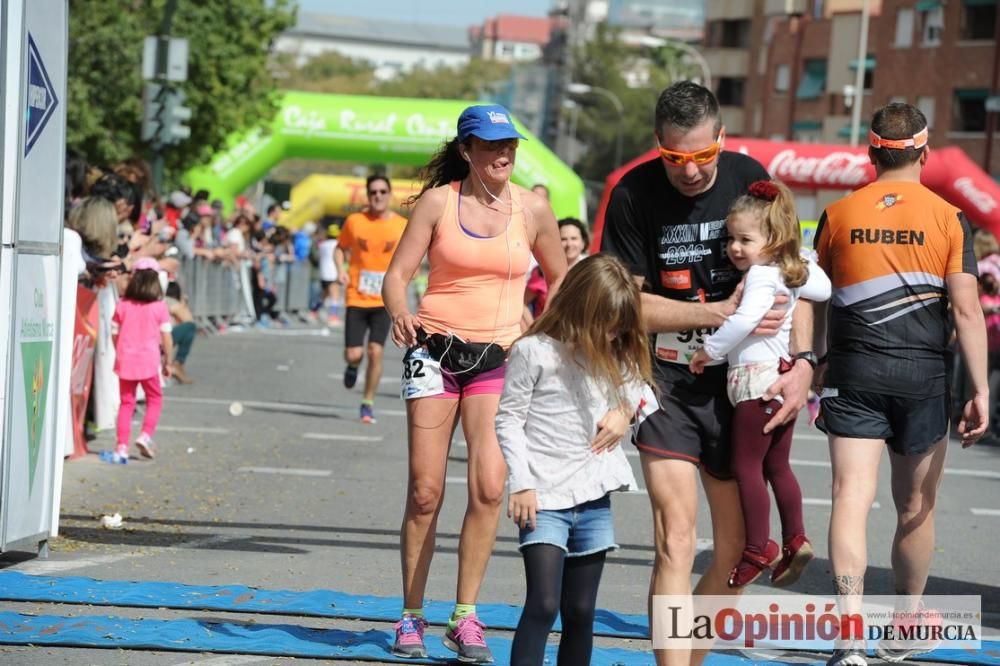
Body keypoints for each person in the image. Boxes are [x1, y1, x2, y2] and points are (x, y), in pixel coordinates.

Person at [600, 81, 814, 666]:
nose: (691, 171)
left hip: (740, 388)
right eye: (675, 158)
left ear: (721, 137)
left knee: (737, 550)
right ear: (657, 145)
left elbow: (797, 276)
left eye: (702, 155)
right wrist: (714, 314)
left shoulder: (751, 177)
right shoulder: (633, 193)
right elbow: (624, 304)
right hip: (667, 380)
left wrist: (806, 366)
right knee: (674, 539)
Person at [381, 103, 567, 663]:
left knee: (489, 488)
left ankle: (466, 616)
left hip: (499, 358)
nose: (503, 154)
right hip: (434, 352)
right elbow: (397, 276)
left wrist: (541, 332)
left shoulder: (532, 210)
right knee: (425, 491)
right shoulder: (439, 202)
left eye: (508, 144)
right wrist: (398, 311)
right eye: (490, 146)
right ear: (467, 151)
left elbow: (560, 277)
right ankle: (411, 615)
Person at [812, 103, 988, 666]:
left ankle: (850, 638)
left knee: (849, 499)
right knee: (915, 506)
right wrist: (982, 390)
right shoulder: (948, 216)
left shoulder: (837, 213)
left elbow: (814, 295)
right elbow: (966, 312)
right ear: (925, 153)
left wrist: (810, 357)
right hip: (923, 377)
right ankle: (905, 628)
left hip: (854, 372)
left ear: (871, 152)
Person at [497, 254, 653, 665]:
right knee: (544, 604)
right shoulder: (533, 351)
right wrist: (521, 482)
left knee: (582, 612)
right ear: (583, 307)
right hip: (543, 498)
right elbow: (508, 420)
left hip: (593, 496)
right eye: (609, 323)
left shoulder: (615, 351)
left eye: (621, 325)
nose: (616, 332)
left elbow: (644, 391)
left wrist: (625, 412)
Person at [689, 179, 831, 588]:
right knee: (777, 465)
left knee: (745, 465)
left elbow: (744, 321)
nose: (735, 248)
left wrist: (707, 351)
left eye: (745, 239)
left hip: (756, 383)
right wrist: (802, 258)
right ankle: (795, 537)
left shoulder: (760, 276)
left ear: (772, 239)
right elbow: (825, 288)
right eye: (731, 238)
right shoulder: (788, 274)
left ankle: (757, 547)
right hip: (780, 380)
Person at [335, 175, 408, 424]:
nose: (378, 196)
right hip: (356, 296)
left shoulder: (401, 225)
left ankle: (367, 403)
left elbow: (411, 255)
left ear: (389, 195)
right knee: (355, 354)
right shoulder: (354, 221)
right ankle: (353, 366)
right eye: (373, 192)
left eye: (382, 192)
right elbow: (339, 248)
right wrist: (340, 270)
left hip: (383, 300)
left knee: (375, 351)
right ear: (368, 196)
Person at [110, 258, 173, 463]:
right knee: (155, 398)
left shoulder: (122, 305)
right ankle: (145, 435)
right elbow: (166, 337)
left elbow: (113, 332)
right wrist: (168, 362)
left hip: (126, 360)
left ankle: (121, 447)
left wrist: (119, 350)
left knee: (126, 403)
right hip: (148, 361)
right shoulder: (159, 307)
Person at [523, 218, 590, 322]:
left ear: (583, 242)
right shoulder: (542, 271)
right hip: (547, 335)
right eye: (563, 239)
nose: (569, 244)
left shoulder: (591, 271)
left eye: (574, 238)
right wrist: (532, 330)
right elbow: (522, 304)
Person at [317, 224, 342, 326]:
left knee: (324, 294)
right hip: (333, 273)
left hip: (323, 272)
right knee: (334, 295)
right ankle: (333, 316)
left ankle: (314, 311)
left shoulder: (322, 245)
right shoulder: (337, 244)